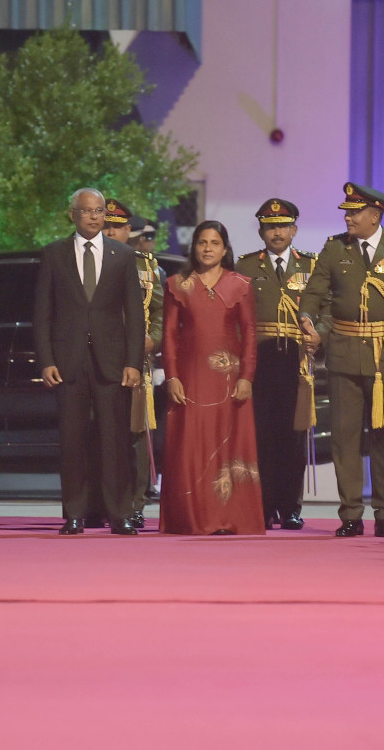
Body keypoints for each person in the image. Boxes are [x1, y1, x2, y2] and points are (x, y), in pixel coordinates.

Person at [299, 182, 384, 538]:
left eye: (354, 212)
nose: (347, 218)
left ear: (375, 216)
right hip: (343, 353)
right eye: (347, 212)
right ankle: (351, 515)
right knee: (344, 438)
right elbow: (314, 292)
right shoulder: (334, 248)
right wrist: (307, 319)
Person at [33, 187, 144, 536]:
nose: (95, 216)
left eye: (99, 211)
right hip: (68, 360)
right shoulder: (54, 254)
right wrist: (46, 359)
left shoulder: (123, 255)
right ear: (73, 215)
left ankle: (119, 514)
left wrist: (133, 362)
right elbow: (42, 312)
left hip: (112, 362)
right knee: (72, 442)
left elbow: (135, 314)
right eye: (87, 210)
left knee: (115, 442)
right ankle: (74, 514)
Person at [160, 220, 264, 535]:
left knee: (228, 444)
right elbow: (169, 334)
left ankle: (228, 518)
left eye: (214, 243)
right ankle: (192, 518)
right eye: (202, 242)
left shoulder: (240, 284)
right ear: (194, 247)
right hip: (190, 378)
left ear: (225, 248)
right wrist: (172, 377)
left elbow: (249, 333)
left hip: (229, 379)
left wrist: (246, 377)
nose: (208, 249)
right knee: (191, 444)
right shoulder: (177, 284)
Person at [235, 198, 320, 530]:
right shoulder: (245, 267)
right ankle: (264, 505)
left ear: (294, 230)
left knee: (294, 436)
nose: (277, 232)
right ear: (261, 231)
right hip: (260, 360)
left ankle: (290, 507)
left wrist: (320, 336)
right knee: (262, 435)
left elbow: (325, 311)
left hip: (296, 361)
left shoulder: (311, 266)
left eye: (283, 226)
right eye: (270, 227)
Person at [102, 201, 163, 529]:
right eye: (106, 225)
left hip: (136, 359)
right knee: (100, 432)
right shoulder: (90, 260)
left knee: (136, 433)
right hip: (99, 357)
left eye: (117, 227)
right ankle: (101, 503)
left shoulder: (147, 266)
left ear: (129, 231)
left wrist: (154, 338)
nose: (110, 232)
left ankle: (135, 504)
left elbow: (160, 311)